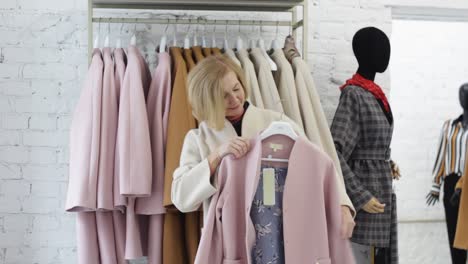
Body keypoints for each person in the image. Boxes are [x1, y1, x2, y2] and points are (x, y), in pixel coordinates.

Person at [171, 54, 355, 239]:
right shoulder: (198, 139)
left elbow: (318, 165)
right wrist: (216, 156)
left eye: (237, 88)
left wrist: (341, 204)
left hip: (280, 237)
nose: (235, 99)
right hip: (226, 241)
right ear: (208, 101)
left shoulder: (278, 122)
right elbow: (182, 200)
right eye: (223, 96)